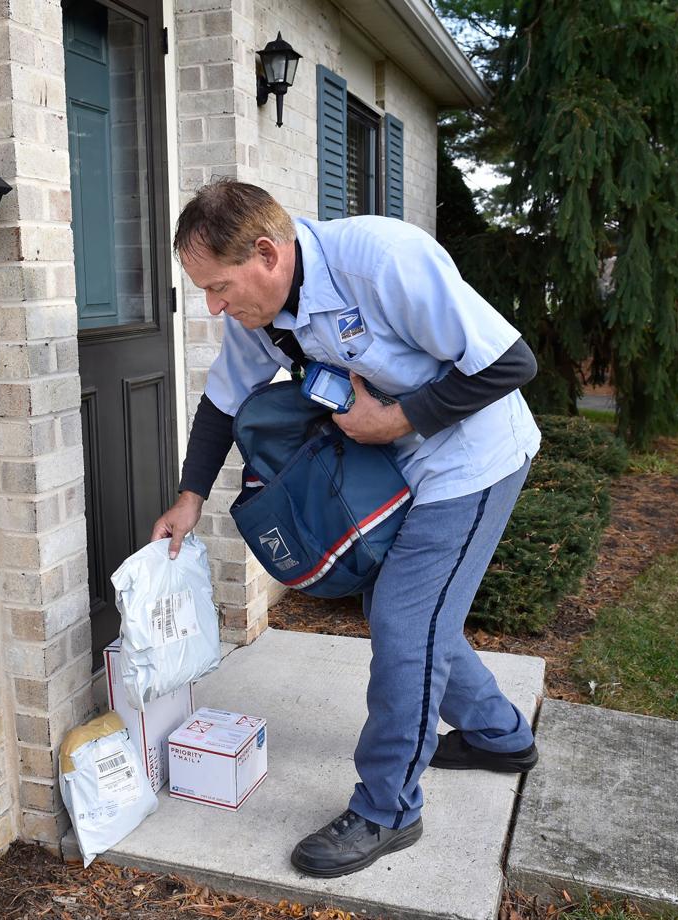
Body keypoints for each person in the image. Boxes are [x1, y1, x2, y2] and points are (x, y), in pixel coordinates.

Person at [150, 179, 541, 879]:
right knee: (405, 616)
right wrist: (188, 498)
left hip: (472, 461)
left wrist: (400, 419)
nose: (211, 305)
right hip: (399, 467)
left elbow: (511, 363)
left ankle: (388, 809)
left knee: (403, 621)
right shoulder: (260, 314)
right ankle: (498, 736)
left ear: (267, 254)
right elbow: (220, 405)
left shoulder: (382, 260)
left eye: (216, 286)